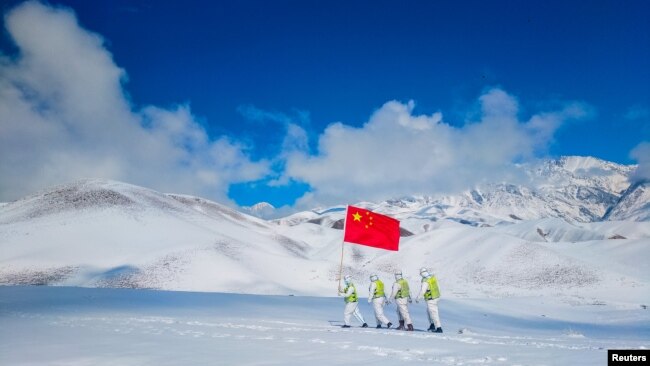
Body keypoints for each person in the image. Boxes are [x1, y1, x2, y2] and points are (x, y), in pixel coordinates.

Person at [415, 267, 443, 333]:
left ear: (422, 273)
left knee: (434, 313)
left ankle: (439, 328)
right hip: (436, 297)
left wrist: (418, 298)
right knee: (429, 312)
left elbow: (423, 291)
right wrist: (439, 295)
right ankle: (432, 325)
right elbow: (438, 286)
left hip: (431, 299)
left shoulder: (425, 281)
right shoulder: (433, 277)